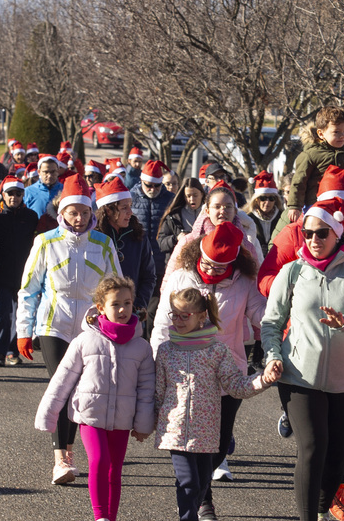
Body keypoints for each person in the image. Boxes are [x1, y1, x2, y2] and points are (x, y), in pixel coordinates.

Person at [261, 197, 344, 521]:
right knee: (312, 446)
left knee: (339, 455)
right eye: (308, 233)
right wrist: (273, 355)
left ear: (338, 234)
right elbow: (271, 322)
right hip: (299, 375)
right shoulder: (293, 272)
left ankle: (321, 510)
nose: (313, 239)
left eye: (322, 233)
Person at [151, 221, 265, 521]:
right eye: (207, 264)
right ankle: (202, 502)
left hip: (227, 370)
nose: (212, 271)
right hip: (185, 371)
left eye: (220, 267)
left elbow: (262, 315)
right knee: (192, 446)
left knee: (218, 445)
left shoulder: (243, 282)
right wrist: (156, 363)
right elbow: (163, 324)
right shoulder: (180, 277)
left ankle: (201, 492)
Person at [35, 275, 156, 521]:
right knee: (99, 461)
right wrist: (49, 414)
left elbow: (147, 389)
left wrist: (143, 423)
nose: (123, 309)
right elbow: (62, 380)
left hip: (122, 420)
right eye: (116, 304)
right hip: (90, 416)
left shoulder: (141, 347)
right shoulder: (84, 341)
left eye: (128, 303)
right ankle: (99, 520)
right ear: (101, 307)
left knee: (115, 471)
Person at [154, 287, 276, 521]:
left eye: (184, 315)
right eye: (173, 314)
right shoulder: (165, 351)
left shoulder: (217, 351)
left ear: (201, 317)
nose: (177, 320)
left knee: (200, 482)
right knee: (187, 481)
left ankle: (188, 516)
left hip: (207, 431)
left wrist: (264, 379)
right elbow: (158, 392)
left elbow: (235, 385)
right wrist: (145, 423)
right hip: (175, 432)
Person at [18, 175, 121, 484]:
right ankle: (59, 458)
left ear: (92, 214)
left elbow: (116, 288)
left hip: (89, 327)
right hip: (54, 323)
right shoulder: (45, 241)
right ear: (61, 212)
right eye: (73, 212)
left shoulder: (103, 244)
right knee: (61, 385)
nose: (79, 219)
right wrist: (24, 330)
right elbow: (28, 289)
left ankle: (70, 450)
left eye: (85, 213)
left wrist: (117, 324)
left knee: (80, 389)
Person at [282, 106, 344, 229]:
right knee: (311, 228)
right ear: (321, 133)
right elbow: (299, 181)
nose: (342, 136)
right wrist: (295, 205)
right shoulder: (311, 154)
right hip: (317, 203)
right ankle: (307, 247)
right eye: (336, 132)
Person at [0, 176, 39, 367]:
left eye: (18, 194)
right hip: (2, 272)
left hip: (24, 274)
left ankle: (12, 351)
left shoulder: (31, 217)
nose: (14, 197)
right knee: (2, 312)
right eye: (10, 193)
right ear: (3, 195)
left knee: (21, 313)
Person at [95, 178, 158, 316]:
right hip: (100, 312)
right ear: (108, 210)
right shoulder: (93, 238)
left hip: (131, 312)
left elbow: (149, 276)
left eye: (130, 206)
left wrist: (138, 305)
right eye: (124, 208)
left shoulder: (138, 236)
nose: (130, 212)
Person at [156, 178, 204, 260]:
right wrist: (176, 238)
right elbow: (161, 243)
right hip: (180, 262)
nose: (192, 199)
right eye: (188, 196)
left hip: (204, 263)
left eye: (195, 195)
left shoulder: (209, 214)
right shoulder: (174, 216)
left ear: (202, 194)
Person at [245, 171, 284, 255]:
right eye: (263, 198)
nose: (267, 202)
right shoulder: (247, 218)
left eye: (271, 198)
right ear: (256, 199)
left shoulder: (282, 218)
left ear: (275, 200)